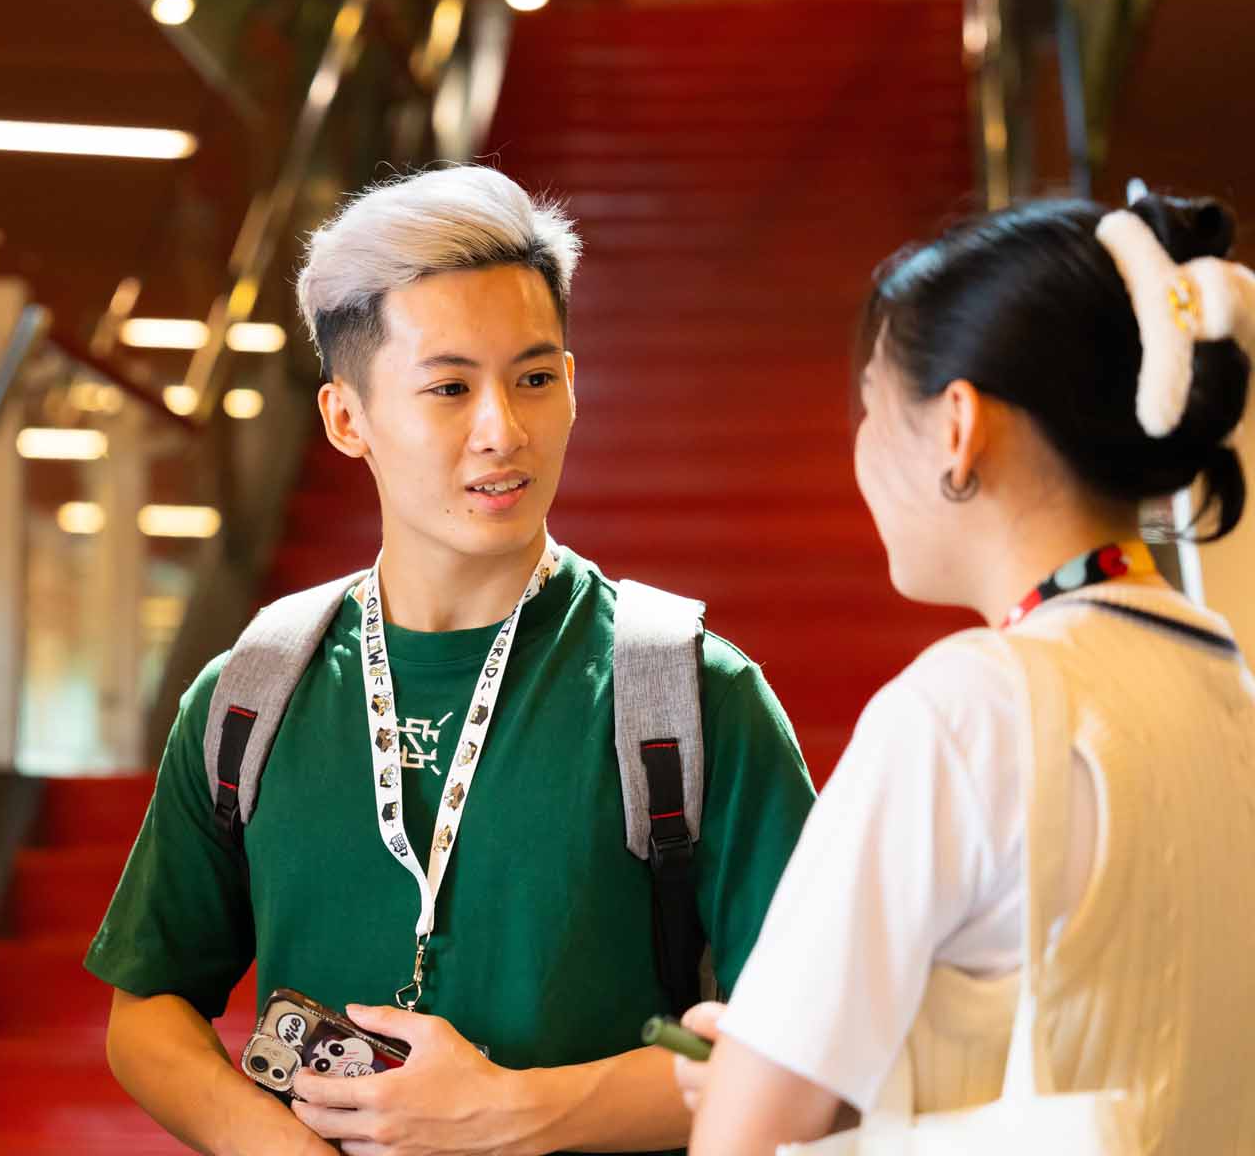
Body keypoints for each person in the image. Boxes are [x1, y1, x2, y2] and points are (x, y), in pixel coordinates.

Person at [85, 165, 818, 1155]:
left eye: (535, 377)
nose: (502, 431)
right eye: (448, 387)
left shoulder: (685, 693)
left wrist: (511, 1115)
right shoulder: (254, 693)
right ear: (348, 419)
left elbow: (814, 1053)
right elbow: (147, 1009)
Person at [675, 189, 1255, 1153]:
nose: (861, 449)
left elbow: (737, 1142)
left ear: (956, 427)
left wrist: (749, 1087)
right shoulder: (1228, 685)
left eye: (870, 407)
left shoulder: (964, 708)